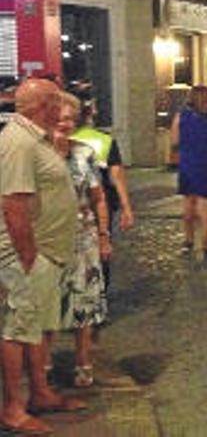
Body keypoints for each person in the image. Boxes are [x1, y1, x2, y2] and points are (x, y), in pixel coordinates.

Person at [0, 79, 86, 435]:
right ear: (42, 105)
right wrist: (29, 258)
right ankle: (13, 407)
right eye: (55, 100)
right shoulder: (18, 142)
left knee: (37, 328)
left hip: (45, 253)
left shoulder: (36, 138)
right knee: (17, 330)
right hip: (26, 256)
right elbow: (13, 204)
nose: (61, 106)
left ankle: (40, 393)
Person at [52, 93, 110, 388]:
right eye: (60, 118)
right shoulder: (37, 153)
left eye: (70, 119)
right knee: (47, 302)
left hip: (83, 238)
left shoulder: (85, 152)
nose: (66, 124)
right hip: (48, 239)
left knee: (83, 305)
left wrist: (103, 235)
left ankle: (83, 362)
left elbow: (98, 198)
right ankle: (43, 362)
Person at [69, 95, 134, 298]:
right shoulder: (103, 140)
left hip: (69, 203)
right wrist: (126, 207)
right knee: (100, 248)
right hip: (99, 202)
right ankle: (98, 294)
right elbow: (116, 175)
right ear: (89, 112)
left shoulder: (60, 137)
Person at [171, 86, 207, 258]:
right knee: (206, 205)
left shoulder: (180, 118)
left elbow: (174, 141)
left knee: (188, 202)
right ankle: (206, 244)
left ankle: (188, 239)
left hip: (188, 163)